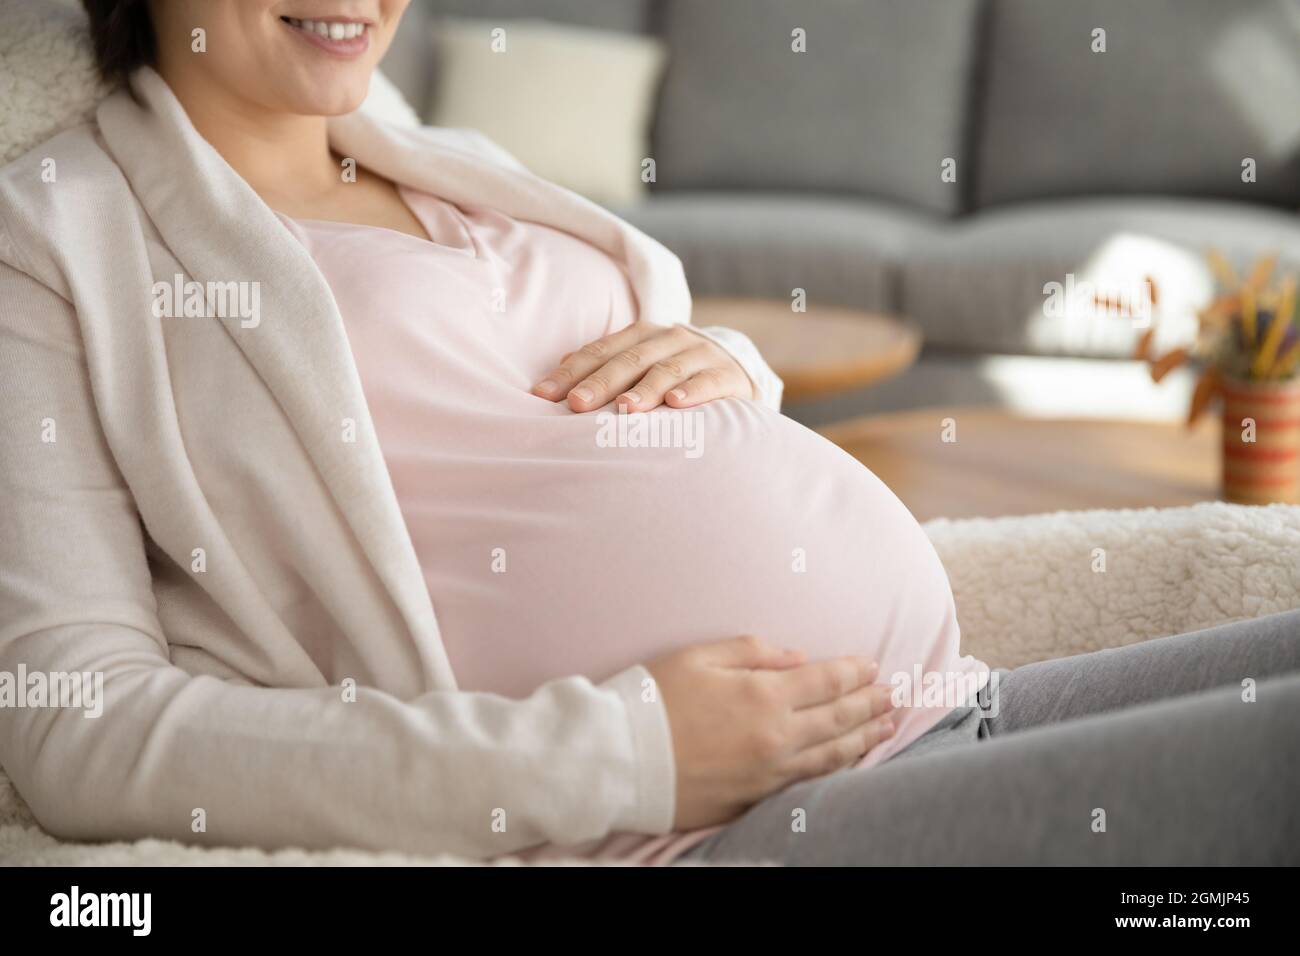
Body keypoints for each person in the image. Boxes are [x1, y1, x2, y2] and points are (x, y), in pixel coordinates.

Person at [0, 0, 1294, 866]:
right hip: (737, 831)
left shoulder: (432, 151)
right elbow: (80, 728)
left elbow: (563, 397)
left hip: (939, 707)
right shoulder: (61, 238)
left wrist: (725, 368)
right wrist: (620, 756)